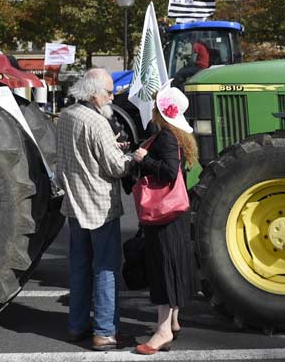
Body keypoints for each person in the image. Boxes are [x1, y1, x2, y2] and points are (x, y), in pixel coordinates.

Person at [56, 68, 134, 351]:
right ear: (92, 93)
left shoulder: (66, 116)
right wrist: (133, 157)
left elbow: (73, 155)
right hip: (100, 206)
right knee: (106, 269)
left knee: (79, 267)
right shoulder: (98, 123)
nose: (111, 97)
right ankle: (104, 332)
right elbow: (115, 166)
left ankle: (77, 325)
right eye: (108, 92)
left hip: (74, 205)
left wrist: (110, 148)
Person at [129, 85, 197, 355]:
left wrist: (143, 159)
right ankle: (173, 322)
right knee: (173, 265)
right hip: (174, 213)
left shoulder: (166, 137)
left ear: (159, 111)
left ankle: (163, 330)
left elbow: (168, 172)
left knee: (163, 270)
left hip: (163, 215)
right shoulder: (176, 135)